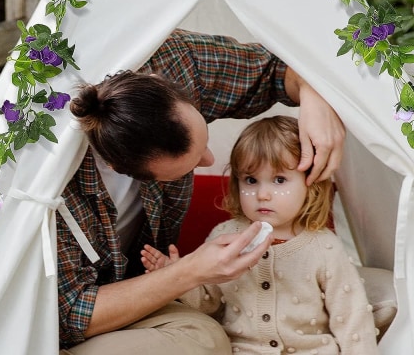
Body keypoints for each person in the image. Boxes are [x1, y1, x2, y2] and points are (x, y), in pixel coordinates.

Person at [58, 29, 345, 354]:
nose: (210, 160)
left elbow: (277, 68)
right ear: (118, 166)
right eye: (191, 164)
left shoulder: (171, 58)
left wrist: (314, 95)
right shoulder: (52, 188)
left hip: (145, 301)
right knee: (204, 339)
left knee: (202, 335)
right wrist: (188, 272)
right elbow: (67, 315)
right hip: (61, 324)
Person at [141, 115, 378, 354]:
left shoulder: (325, 247)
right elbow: (208, 303)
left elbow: (351, 319)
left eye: (279, 180)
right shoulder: (224, 236)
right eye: (251, 180)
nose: (263, 194)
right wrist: (175, 276)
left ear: (311, 183)